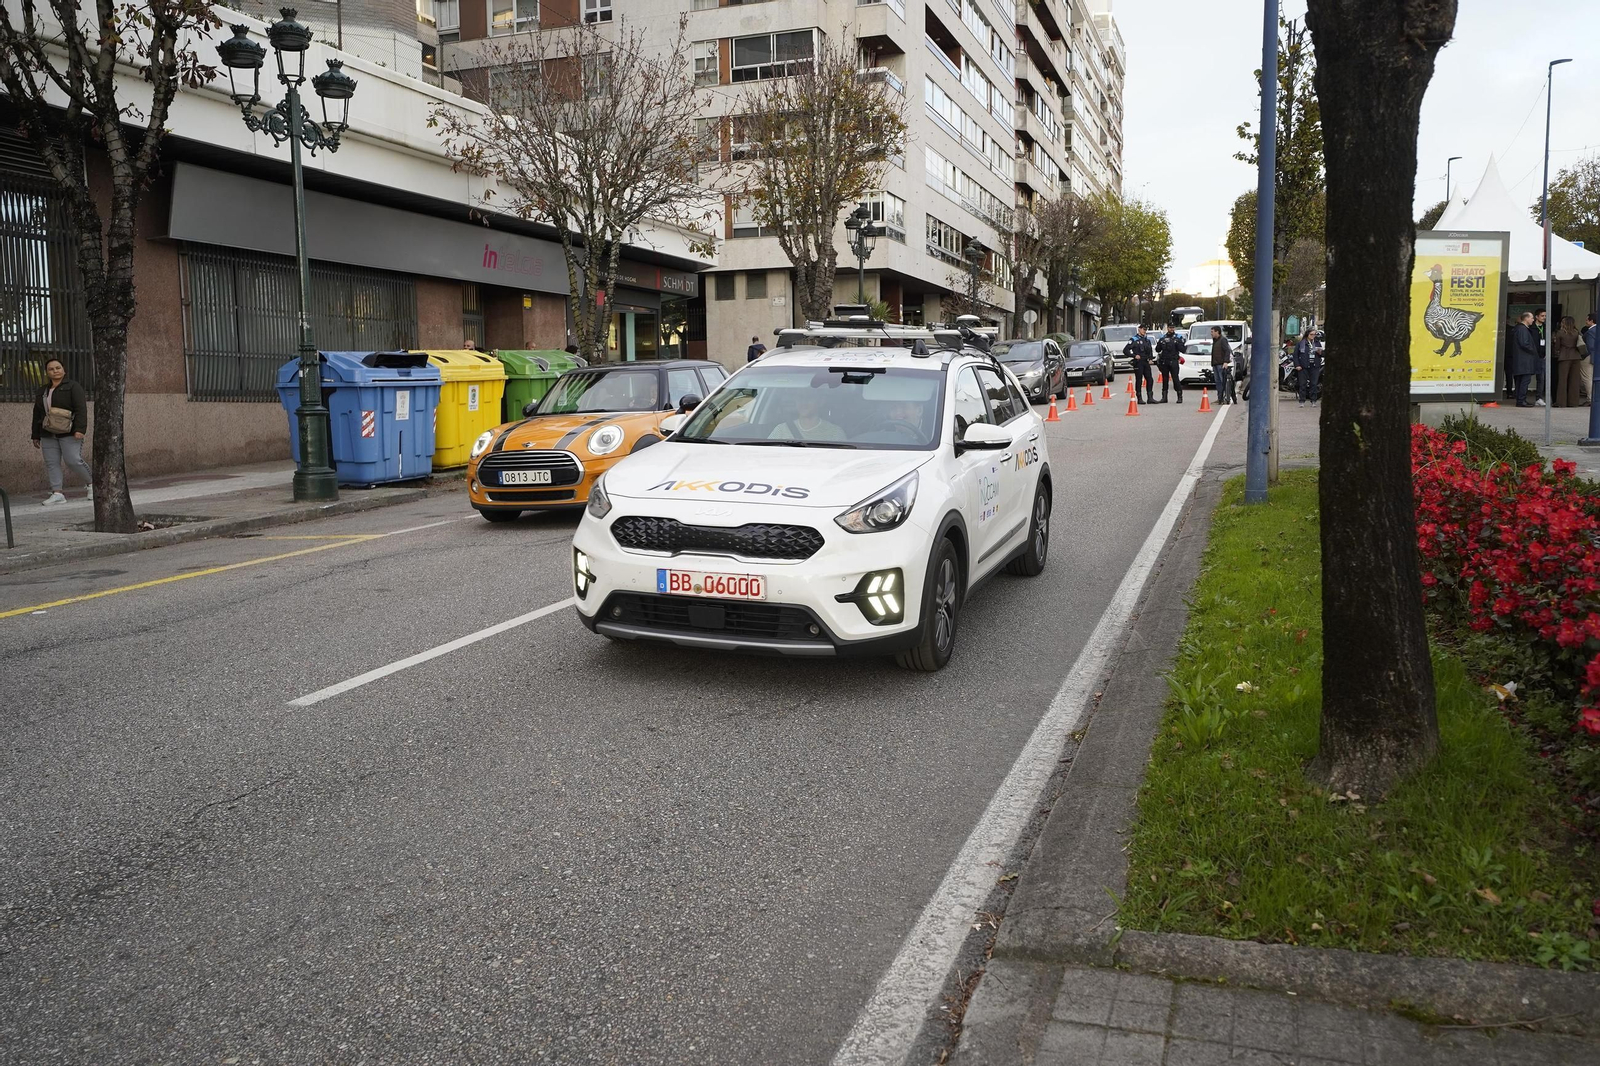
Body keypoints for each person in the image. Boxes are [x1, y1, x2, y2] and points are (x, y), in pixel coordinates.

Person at [30, 357, 91, 506]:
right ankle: (57, 493)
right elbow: (37, 414)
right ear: (46, 372)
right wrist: (35, 435)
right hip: (47, 433)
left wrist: (80, 429)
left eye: (58, 368)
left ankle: (92, 484)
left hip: (69, 431)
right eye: (51, 369)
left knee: (73, 460)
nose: (55, 371)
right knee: (52, 463)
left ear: (64, 370)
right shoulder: (42, 390)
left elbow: (81, 409)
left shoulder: (73, 387)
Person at [768, 393, 845, 441]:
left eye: (809, 398)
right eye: (800, 397)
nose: (803, 402)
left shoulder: (835, 433)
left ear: (820, 402)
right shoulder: (781, 430)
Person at [1510, 311, 1541, 407]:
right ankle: (1521, 400)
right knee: (1524, 381)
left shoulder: (1519, 329)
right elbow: (1524, 343)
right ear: (1526, 318)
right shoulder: (1522, 329)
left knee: (1520, 381)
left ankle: (1520, 399)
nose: (1533, 320)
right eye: (1531, 318)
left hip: (1521, 360)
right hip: (1525, 360)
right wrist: (1534, 351)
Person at [1553, 316, 1583, 407]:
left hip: (1564, 357)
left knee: (1563, 380)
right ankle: (1573, 402)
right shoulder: (1576, 332)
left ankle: (1561, 402)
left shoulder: (1560, 333)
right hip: (1576, 357)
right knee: (1574, 381)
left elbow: (1557, 347)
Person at [1123, 325, 1156, 405]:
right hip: (1138, 362)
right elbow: (1125, 350)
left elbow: (1150, 351)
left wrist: (1150, 358)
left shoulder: (1147, 340)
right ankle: (1139, 398)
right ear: (1139, 329)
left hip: (1146, 362)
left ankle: (1150, 397)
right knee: (1139, 380)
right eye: (1143, 329)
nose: (1144, 331)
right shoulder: (1134, 339)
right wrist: (1134, 356)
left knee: (1150, 379)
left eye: (1145, 330)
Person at [1155, 326, 1185, 403]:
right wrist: (1160, 344)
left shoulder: (1178, 337)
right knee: (1165, 379)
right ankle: (1164, 397)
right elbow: (1157, 349)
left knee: (1175, 379)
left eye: (1173, 328)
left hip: (1174, 361)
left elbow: (1183, 349)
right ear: (1167, 328)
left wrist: (1178, 344)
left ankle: (1179, 396)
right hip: (1165, 361)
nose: (1171, 329)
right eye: (1170, 328)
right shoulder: (1163, 338)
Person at [1209, 326, 1234, 404]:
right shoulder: (1215, 340)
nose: (1211, 333)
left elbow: (1227, 351)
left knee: (1222, 381)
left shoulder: (1223, 340)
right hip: (1215, 364)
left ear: (1217, 332)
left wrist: (1225, 362)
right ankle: (1220, 398)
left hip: (1221, 364)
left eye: (1212, 332)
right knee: (1218, 382)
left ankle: (1225, 397)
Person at [1533, 309, 1548, 406]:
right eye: (1542, 316)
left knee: (1541, 378)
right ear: (1536, 317)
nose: (1544, 318)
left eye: (1545, 316)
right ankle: (1521, 396)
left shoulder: (1546, 327)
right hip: (1532, 355)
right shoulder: (1531, 327)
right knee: (1526, 377)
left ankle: (1539, 397)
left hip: (1542, 356)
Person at [1581, 312, 1597, 407]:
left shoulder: (1590, 332)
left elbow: (1590, 346)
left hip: (1590, 357)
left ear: (1591, 321)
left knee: (1587, 378)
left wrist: (1583, 355)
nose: (1586, 321)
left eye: (1587, 320)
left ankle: (1590, 398)